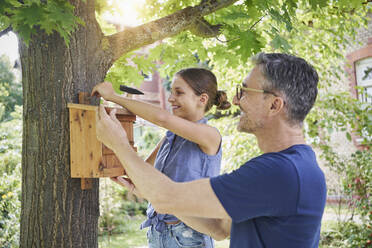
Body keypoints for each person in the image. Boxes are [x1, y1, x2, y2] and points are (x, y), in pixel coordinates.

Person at [94, 53, 327, 248]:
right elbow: (219, 228)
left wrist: (119, 143)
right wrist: (153, 194)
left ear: (274, 104)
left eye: (245, 91)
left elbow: (166, 198)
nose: (236, 100)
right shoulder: (293, 166)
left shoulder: (279, 172)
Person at [92, 68, 231, 248]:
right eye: (171, 92)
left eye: (179, 93)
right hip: (158, 233)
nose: (171, 98)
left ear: (202, 99)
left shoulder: (210, 136)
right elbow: (142, 171)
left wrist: (114, 96)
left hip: (188, 237)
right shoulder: (169, 138)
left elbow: (162, 118)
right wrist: (136, 188)